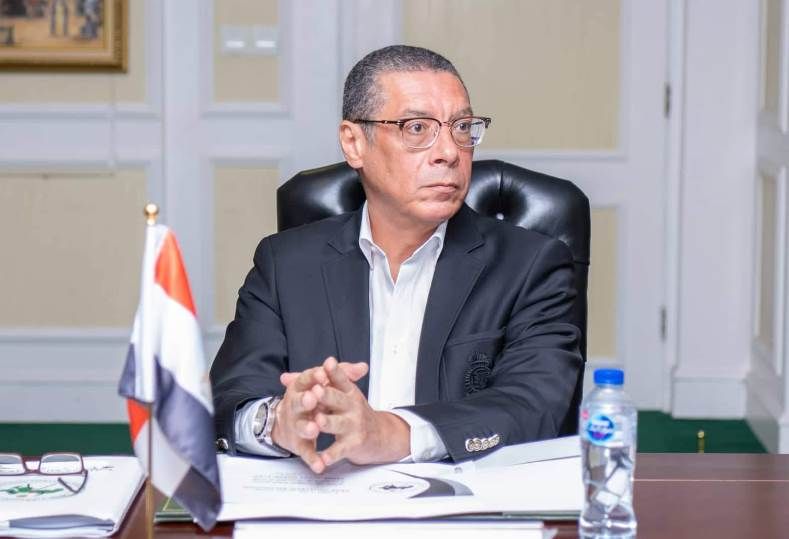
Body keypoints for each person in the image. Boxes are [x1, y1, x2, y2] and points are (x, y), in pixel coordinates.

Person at [210, 45, 582, 474]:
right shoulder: (285, 264)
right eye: (417, 128)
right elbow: (230, 398)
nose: (449, 152)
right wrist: (277, 422)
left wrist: (390, 433)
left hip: (461, 501)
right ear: (354, 143)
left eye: (462, 128)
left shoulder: (530, 265)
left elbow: (533, 406)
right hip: (321, 494)